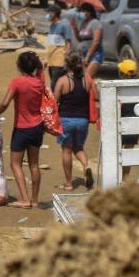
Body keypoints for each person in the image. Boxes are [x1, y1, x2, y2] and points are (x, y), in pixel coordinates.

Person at [0, 51, 45, 209]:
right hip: (37, 127)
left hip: (22, 128)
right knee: (34, 164)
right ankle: (34, 200)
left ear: (19, 66)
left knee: (15, 163)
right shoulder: (39, 83)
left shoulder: (17, 83)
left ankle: (24, 199)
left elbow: (5, 102)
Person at [52, 54, 93, 191]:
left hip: (66, 120)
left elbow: (54, 101)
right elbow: (96, 96)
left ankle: (69, 183)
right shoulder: (87, 80)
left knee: (66, 150)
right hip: (83, 121)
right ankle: (86, 166)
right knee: (78, 147)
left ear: (67, 65)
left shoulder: (63, 81)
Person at [44, 5, 75, 87]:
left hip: (59, 61)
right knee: (54, 83)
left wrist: (66, 59)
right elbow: (52, 45)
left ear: (54, 13)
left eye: (49, 12)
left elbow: (69, 43)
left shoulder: (64, 25)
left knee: (54, 85)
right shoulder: (52, 26)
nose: (48, 15)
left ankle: (56, 99)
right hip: (51, 61)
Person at [73, 3, 103, 81]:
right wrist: (75, 29)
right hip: (83, 55)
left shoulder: (95, 23)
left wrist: (87, 57)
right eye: (82, 11)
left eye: (85, 11)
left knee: (87, 79)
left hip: (94, 55)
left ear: (90, 12)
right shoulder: (83, 23)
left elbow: (96, 41)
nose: (83, 13)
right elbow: (80, 39)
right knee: (82, 80)